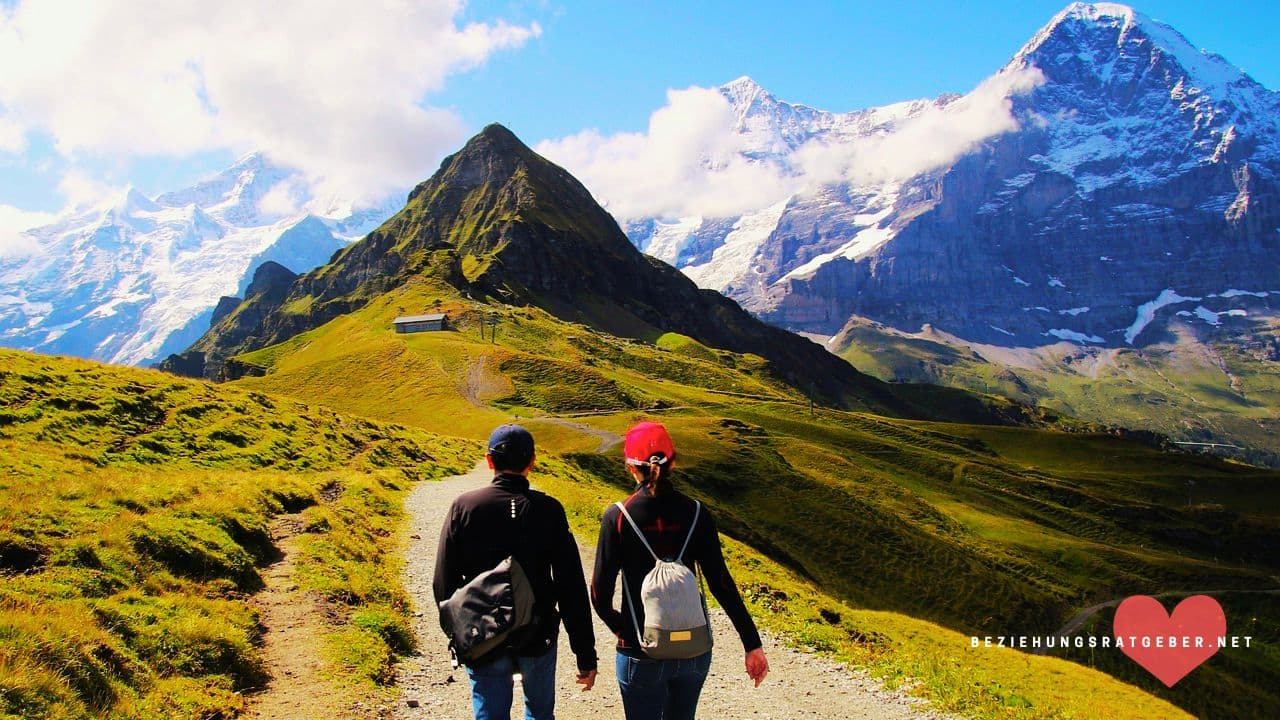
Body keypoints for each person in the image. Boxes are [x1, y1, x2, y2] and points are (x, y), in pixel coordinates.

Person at [591, 421, 769, 720]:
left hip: (641, 652)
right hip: (693, 651)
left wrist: (626, 632)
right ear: (673, 461)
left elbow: (599, 594)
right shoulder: (697, 513)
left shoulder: (618, 517)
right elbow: (721, 583)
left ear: (629, 465)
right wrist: (752, 644)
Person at [433, 424, 598, 720]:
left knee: (489, 714)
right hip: (538, 635)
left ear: (489, 461)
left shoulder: (464, 507)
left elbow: (442, 581)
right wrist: (584, 653)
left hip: (482, 634)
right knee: (539, 712)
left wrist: (460, 632)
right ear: (532, 462)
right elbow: (570, 585)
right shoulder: (549, 510)